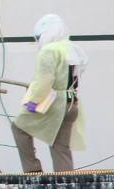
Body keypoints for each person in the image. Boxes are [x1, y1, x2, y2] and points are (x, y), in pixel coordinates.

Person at [11, 14, 87, 172]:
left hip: (55, 104)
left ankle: (32, 171)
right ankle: (66, 182)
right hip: (71, 103)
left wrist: (33, 100)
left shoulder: (49, 51)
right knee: (60, 146)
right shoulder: (71, 48)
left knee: (19, 127)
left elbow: (44, 80)